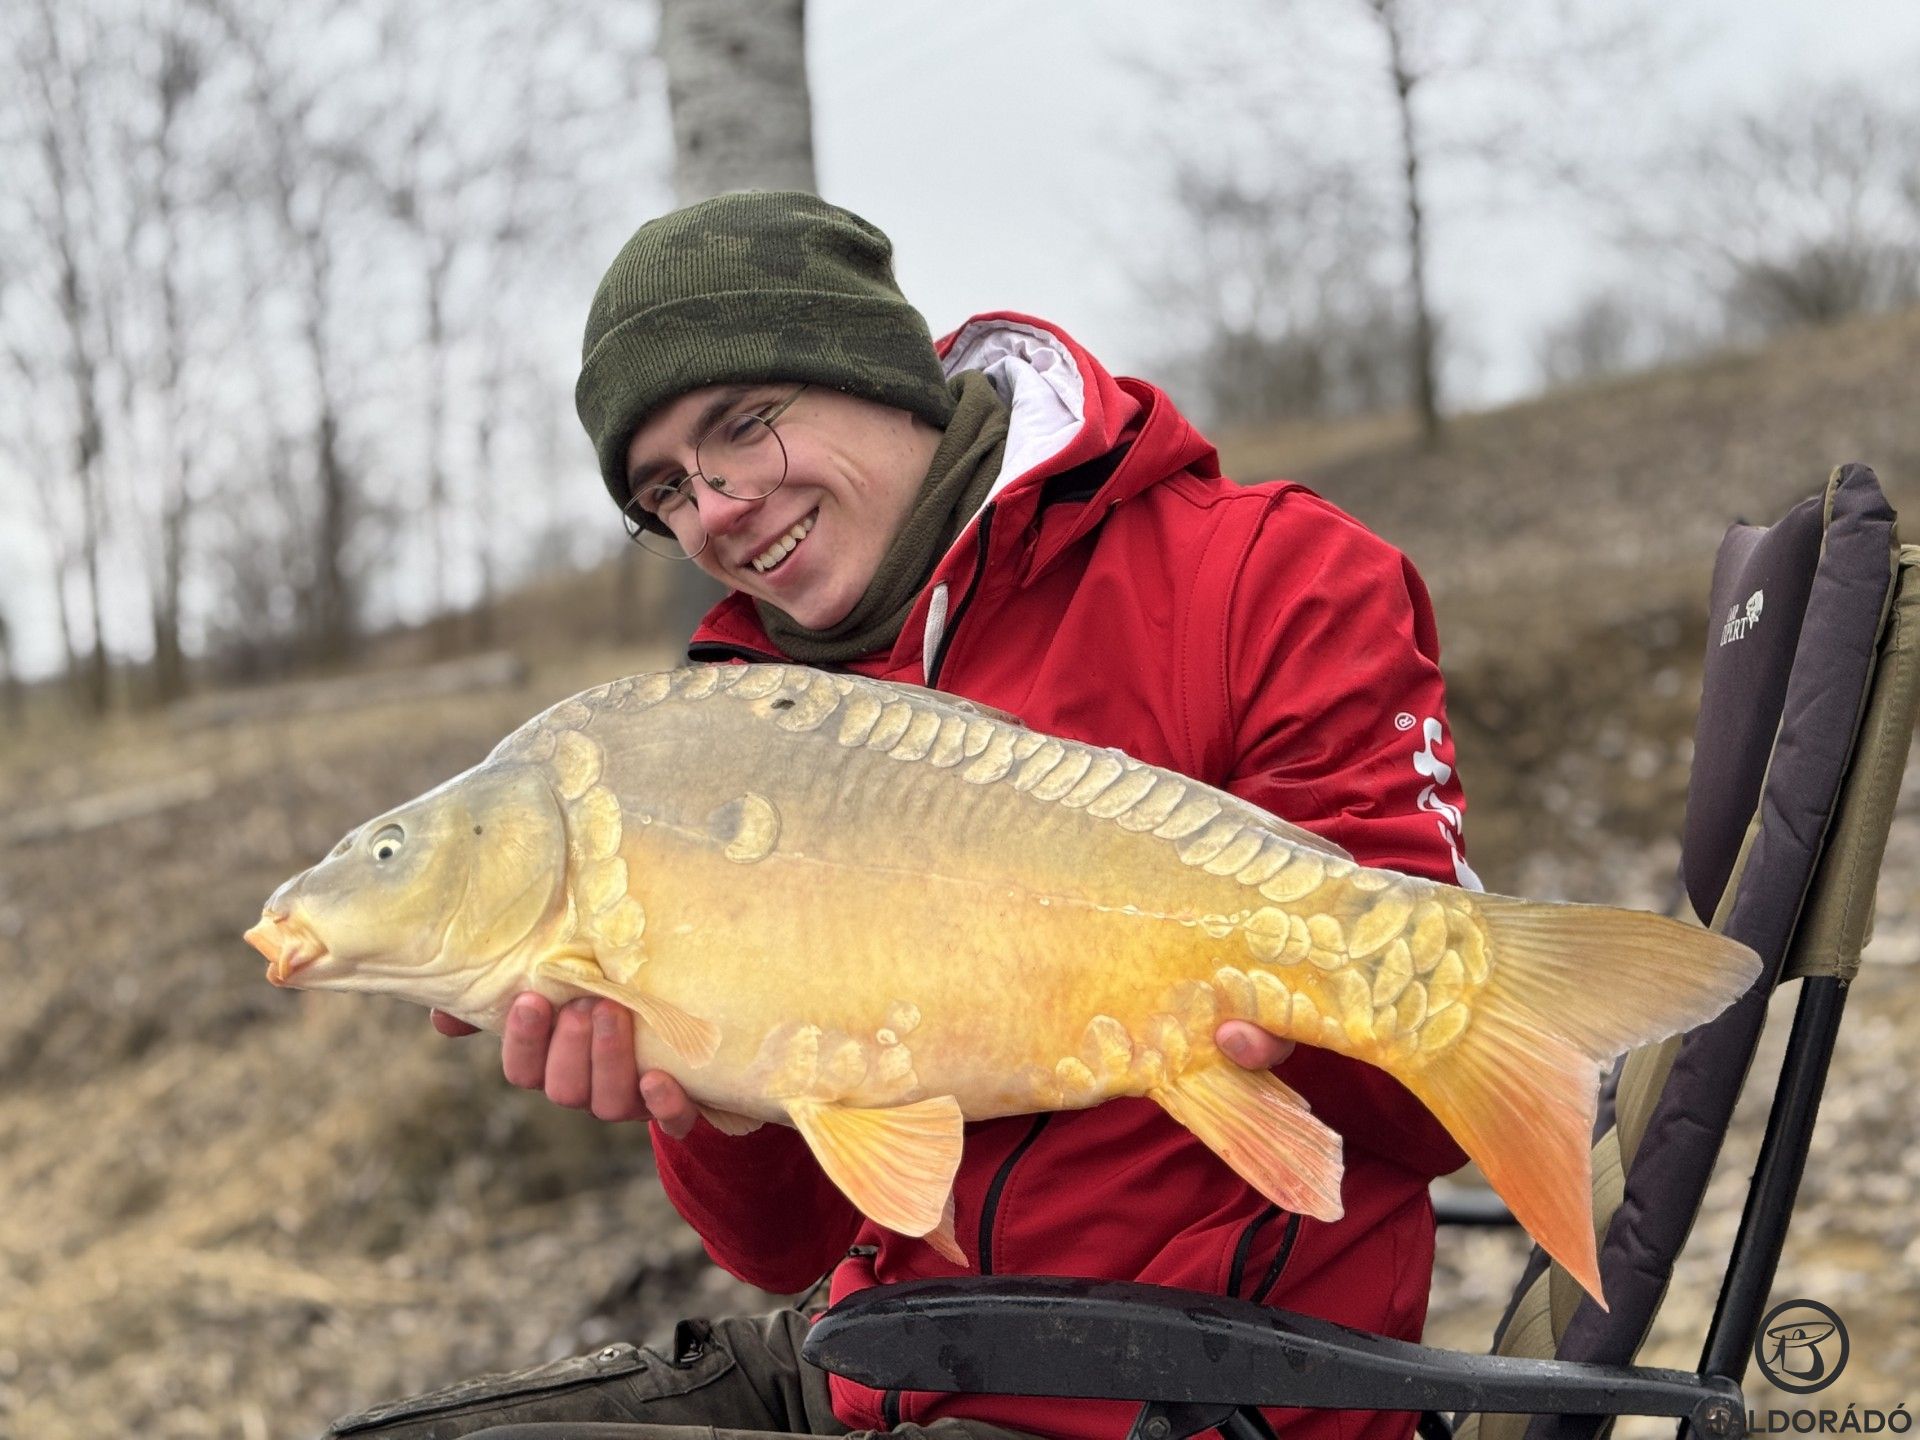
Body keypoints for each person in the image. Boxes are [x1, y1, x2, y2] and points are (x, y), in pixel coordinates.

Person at [327, 191, 1473, 1440]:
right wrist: (714, 1096)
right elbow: (785, 1246)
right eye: (664, 491)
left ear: (879, 375)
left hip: (1186, 1391)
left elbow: (1433, 1105)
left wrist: (1235, 995)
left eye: (745, 430)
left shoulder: (1267, 576)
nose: (713, 511)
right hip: (882, 1357)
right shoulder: (732, 733)